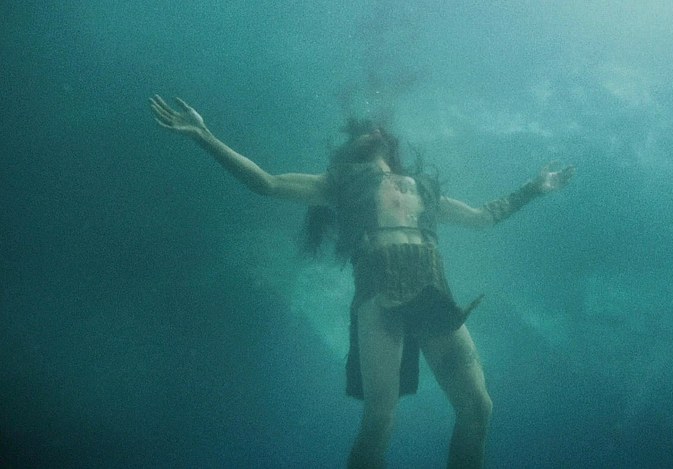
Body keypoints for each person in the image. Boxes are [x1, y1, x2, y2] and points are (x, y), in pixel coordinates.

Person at [149, 95, 575, 468]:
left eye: (375, 128)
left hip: (434, 295)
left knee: (478, 407)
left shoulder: (422, 189)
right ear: (347, 150)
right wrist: (204, 137)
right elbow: (267, 182)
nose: (370, 131)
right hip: (378, 298)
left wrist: (534, 188)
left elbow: (483, 217)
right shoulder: (339, 184)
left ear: (390, 142)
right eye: (358, 132)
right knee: (379, 418)